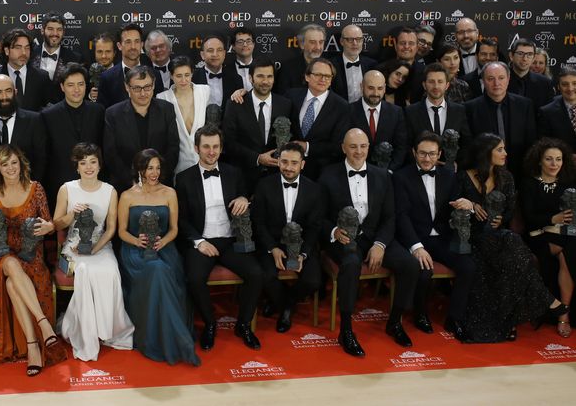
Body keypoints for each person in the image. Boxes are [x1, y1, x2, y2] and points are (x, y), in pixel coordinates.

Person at [457, 133, 569, 342]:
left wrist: (501, 218)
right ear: (486, 152)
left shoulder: (505, 176)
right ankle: (547, 300)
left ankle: (510, 319)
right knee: (514, 247)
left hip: (496, 236)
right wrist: (472, 206)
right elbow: (453, 208)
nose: (505, 153)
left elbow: (509, 210)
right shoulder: (463, 177)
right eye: (500, 149)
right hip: (470, 237)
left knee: (513, 254)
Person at [319, 129, 422, 356]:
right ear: (343, 148)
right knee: (351, 263)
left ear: (369, 148)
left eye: (363, 146)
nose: (358, 151)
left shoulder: (383, 176)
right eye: (353, 146)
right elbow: (319, 216)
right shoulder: (328, 175)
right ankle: (346, 330)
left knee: (410, 265)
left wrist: (380, 245)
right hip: (344, 238)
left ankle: (395, 321)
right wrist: (334, 231)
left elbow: (390, 216)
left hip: (376, 237)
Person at [0, 145, 66, 375]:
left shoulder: (36, 188)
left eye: (14, 163)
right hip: (0, 252)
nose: (10, 168)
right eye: (4, 164)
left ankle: (32, 345)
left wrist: (49, 226)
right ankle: (44, 325)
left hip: (30, 252)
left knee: (11, 283)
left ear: (21, 164)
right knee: (9, 263)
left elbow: (47, 224)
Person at [175, 126, 262, 350]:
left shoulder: (234, 173)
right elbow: (181, 219)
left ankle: (243, 325)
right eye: (206, 146)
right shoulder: (183, 179)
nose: (211, 151)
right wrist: (199, 242)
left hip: (230, 240)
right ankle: (210, 323)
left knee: (256, 273)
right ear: (196, 148)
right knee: (194, 278)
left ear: (221, 148)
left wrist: (244, 197)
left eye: (215, 147)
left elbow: (245, 195)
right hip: (202, 240)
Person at [118, 149, 201, 366]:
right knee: (157, 270)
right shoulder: (127, 196)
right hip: (135, 251)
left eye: (157, 167)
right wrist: (137, 241)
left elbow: (174, 229)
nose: (154, 172)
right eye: (149, 168)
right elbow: (121, 231)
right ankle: (166, 339)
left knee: (166, 270)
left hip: (164, 248)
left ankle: (172, 336)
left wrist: (163, 241)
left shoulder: (169, 193)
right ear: (139, 170)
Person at [393, 131, 477, 341]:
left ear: (439, 153)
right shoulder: (401, 177)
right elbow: (401, 216)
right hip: (414, 238)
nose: (427, 158)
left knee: (468, 266)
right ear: (414, 153)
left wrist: (469, 206)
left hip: (442, 238)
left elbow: (456, 206)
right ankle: (420, 314)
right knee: (423, 271)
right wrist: (416, 246)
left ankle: (454, 318)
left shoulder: (449, 175)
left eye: (431, 154)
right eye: (422, 154)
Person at [53, 143, 134, 361]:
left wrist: (95, 249)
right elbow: (57, 224)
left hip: (100, 245)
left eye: (92, 161)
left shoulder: (110, 191)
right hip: (72, 247)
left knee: (110, 272)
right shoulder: (67, 188)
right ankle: (86, 335)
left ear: (99, 165)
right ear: (76, 166)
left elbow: (111, 229)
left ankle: (107, 330)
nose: (88, 167)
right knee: (87, 272)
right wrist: (71, 214)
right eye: (83, 163)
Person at [252, 142, 324, 333]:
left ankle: (286, 303)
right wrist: (272, 248)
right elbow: (258, 222)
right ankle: (284, 306)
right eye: (284, 162)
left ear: (302, 164)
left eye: (294, 162)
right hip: (272, 244)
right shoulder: (264, 185)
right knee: (265, 276)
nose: (288, 167)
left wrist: (303, 255)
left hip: (300, 247)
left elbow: (314, 227)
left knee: (313, 281)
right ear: (278, 162)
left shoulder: (314, 189)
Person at [520, 138, 575, 338]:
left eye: (559, 159)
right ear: (539, 161)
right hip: (537, 236)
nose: (554, 164)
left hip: (564, 236)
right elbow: (529, 218)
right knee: (569, 249)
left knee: (568, 251)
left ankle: (564, 312)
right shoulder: (529, 184)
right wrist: (554, 218)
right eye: (549, 159)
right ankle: (564, 315)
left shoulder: (568, 183)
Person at [103, 66, 179, 192]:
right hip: (126, 187)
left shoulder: (167, 109)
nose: (143, 93)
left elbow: (173, 148)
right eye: (137, 88)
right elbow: (111, 154)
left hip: (161, 185)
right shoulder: (112, 114)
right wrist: (132, 182)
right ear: (127, 87)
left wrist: (157, 178)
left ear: (154, 85)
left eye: (147, 87)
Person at [222, 57, 292, 193]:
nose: (265, 81)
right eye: (260, 76)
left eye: (269, 76)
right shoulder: (235, 104)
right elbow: (229, 142)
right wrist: (257, 158)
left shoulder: (285, 104)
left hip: (276, 177)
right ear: (250, 78)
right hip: (244, 177)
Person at [41, 63, 105, 203]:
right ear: (62, 87)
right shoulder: (48, 116)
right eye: (70, 85)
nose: (76, 90)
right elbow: (45, 155)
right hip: (59, 187)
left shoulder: (98, 111)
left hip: (93, 184)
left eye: (80, 84)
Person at [464, 62, 536, 179]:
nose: (496, 83)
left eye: (501, 78)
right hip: (483, 175)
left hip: (520, 173)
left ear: (508, 79)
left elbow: (531, 141)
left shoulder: (525, 105)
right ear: (483, 81)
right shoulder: (470, 108)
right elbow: (469, 146)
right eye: (490, 79)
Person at [287, 57, 351, 180]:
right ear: (307, 77)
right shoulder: (291, 96)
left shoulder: (342, 106)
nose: (323, 79)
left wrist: (308, 147)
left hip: (322, 173)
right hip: (288, 170)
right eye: (318, 75)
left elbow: (339, 146)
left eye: (328, 76)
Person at [404, 63, 472, 166]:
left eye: (440, 82)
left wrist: (455, 163)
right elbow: (406, 145)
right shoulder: (410, 112)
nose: (436, 86)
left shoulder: (459, 111)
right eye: (431, 82)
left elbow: (466, 143)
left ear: (447, 85)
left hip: (452, 173)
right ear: (424, 85)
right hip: (419, 171)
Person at [0, 74, 47, 183]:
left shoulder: (34, 120)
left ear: (15, 92)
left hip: (27, 187)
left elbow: (41, 158)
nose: (4, 96)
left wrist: (31, 186)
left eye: (8, 91)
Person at [158, 56, 211, 175]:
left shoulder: (204, 91)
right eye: (178, 76)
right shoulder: (162, 98)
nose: (183, 80)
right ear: (171, 76)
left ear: (192, 73)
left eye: (187, 75)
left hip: (204, 161)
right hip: (178, 165)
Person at [349, 70, 408, 171]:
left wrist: (389, 171)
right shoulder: (348, 111)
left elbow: (401, 147)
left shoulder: (396, 112)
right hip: (355, 171)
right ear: (362, 87)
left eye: (380, 88)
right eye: (371, 88)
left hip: (387, 174)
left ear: (384, 89)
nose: (376, 93)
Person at [0, 28, 53, 111]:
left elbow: (49, 110)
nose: (24, 52)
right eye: (18, 47)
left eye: (27, 48)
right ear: (7, 51)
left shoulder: (42, 77)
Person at [97, 23, 164, 107]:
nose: (133, 46)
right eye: (128, 42)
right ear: (119, 46)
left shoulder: (155, 75)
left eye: (137, 41)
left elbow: (160, 110)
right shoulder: (107, 78)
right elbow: (102, 112)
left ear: (141, 45)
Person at [31, 11, 84, 100]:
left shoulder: (75, 59)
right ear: (42, 30)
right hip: (33, 111)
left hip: (62, 111)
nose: (55, 33)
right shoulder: (29, 55)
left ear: (63, 32)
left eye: (59, 29)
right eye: (50, 29)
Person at [192, 34, 241, 112]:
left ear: (224, 54)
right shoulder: (192, 78)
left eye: (219, 50)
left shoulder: (236, 78)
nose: (215, 54)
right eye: (210, 50)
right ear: (202, 55)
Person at [331, 24, 377, 103]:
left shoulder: (372, 65)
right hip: (340, 111)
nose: (355, 43)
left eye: (358, 39)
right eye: (350, 39)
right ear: (342, 41)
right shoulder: (331, 65)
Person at [508, 39, 555, 116]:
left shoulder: (545, 83)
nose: (525, 59)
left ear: (533, 58)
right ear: (511, 56)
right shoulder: (499, 80)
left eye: (529, 54)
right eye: (520, 53)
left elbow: (549, 115)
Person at [274, 24, 326, 94]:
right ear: (302, 44)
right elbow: (283, 99)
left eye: (321, 42)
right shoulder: (287, 69)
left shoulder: (329, 67)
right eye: (312, 42)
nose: (318, 47)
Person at [538, 67, 576, 151]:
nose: (570, 88)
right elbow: (545, 144)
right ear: (558, 87)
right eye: (565, 84)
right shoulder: (547, 112)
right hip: (562, 162)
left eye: (574, 83)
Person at [87, 32, 116, 102]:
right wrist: (90, 96)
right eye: (100, 52)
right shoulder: (86, 74)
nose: (104, 56)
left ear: (114, 53)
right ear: (94, 53)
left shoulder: (123, 73)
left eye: (108, 51)